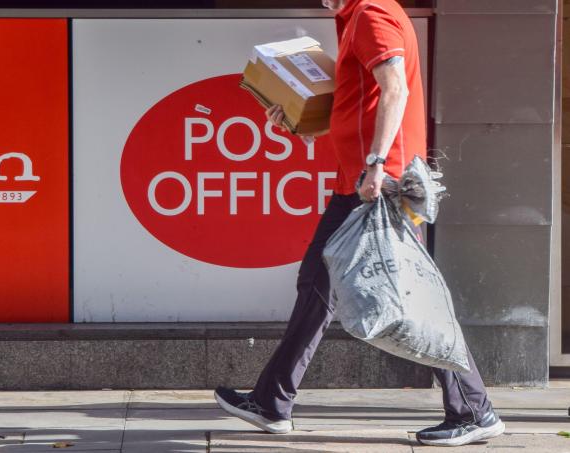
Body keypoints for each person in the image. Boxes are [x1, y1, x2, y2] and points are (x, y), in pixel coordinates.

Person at [214, 0, 505, 447]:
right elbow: (361, 104)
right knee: (316, 286)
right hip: (360, 182)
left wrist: (374, 165)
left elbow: (395, 90)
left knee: (408, 295)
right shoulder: (351, 17)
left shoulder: (372, 14)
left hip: (376, 186)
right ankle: (273, 401)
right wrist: (299, 121)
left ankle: (474, 409)